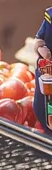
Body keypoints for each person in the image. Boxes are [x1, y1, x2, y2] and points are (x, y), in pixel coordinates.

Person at [34, 7, 52, 135]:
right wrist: (41, 48)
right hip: (47, 70)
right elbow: (39, 39)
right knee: (42, 106)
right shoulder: (50, 15)